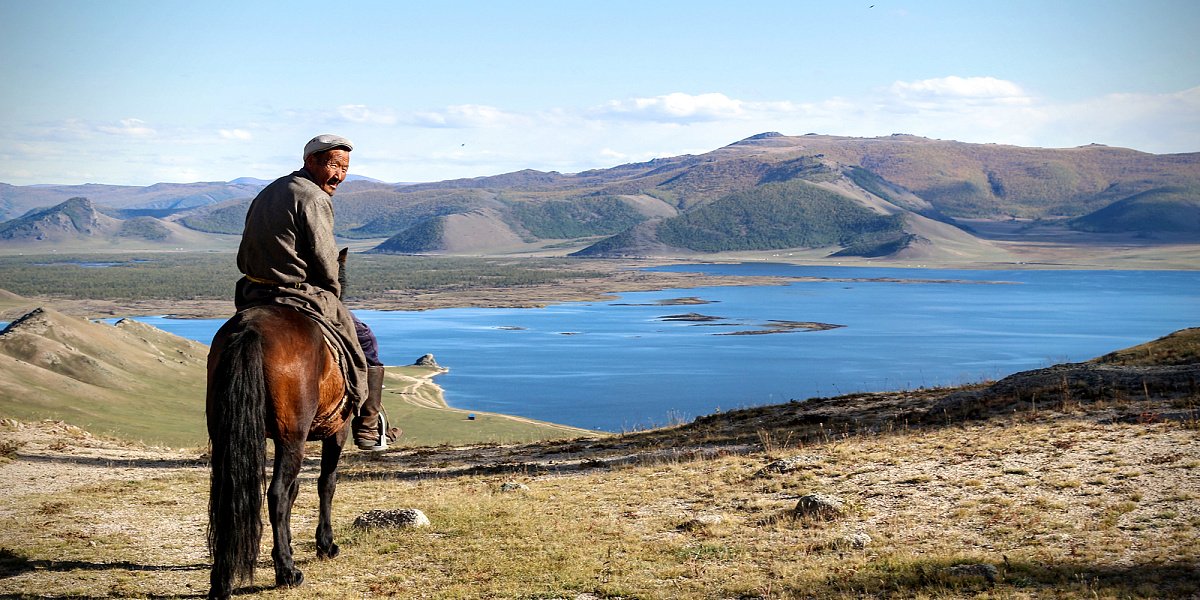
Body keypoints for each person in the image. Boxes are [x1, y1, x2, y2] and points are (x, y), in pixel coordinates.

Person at [234, 134, 395, 451]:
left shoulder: (270, 190)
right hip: (297, 294)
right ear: (310, 161)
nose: (339, 175)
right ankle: (368, 422)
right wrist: (333, 292)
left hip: (253, 292)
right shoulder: (314, 198)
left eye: (345, 168)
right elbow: (324, 257)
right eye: (333, 165)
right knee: (364, 339)